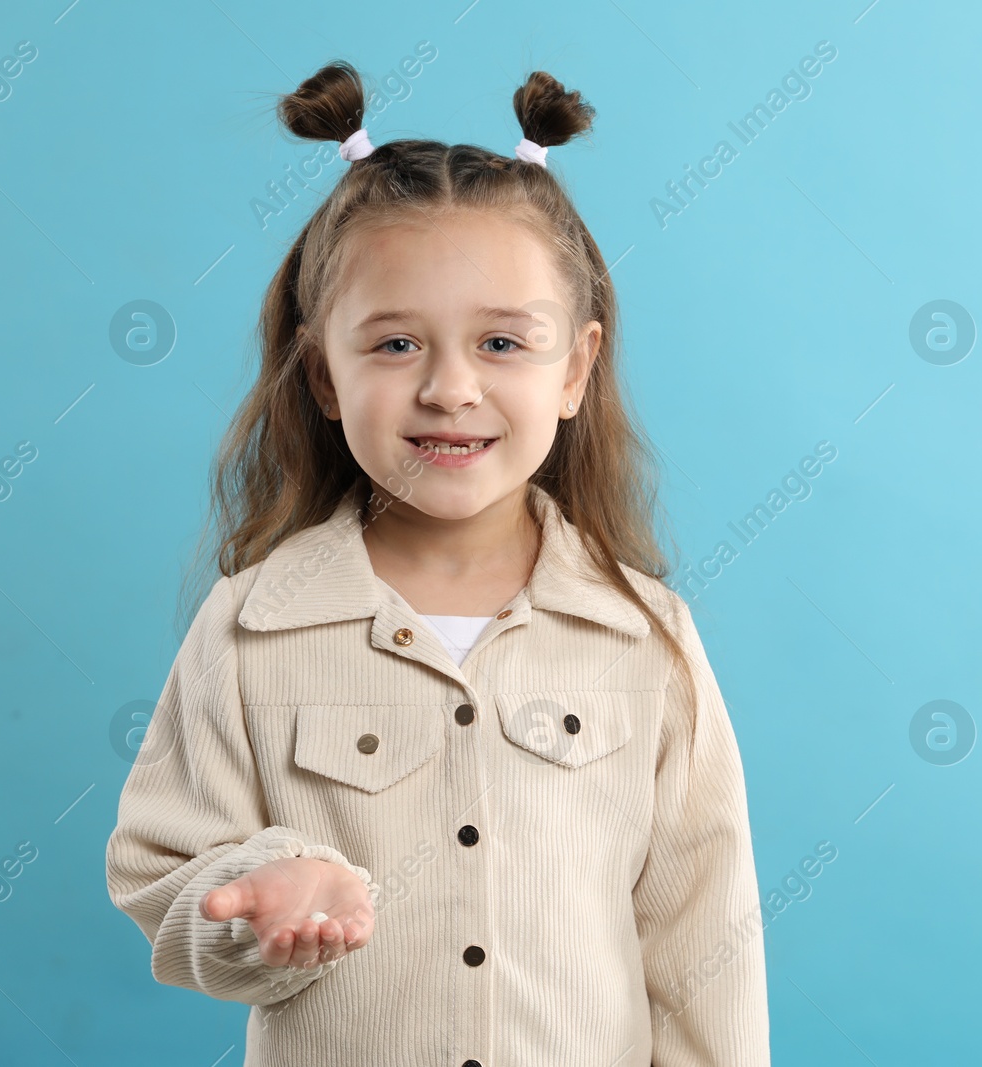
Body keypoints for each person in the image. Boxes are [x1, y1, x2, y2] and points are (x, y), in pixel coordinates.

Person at [104, 60, 770, 1067]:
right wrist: (260, 889)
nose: (450, 388)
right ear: (323, 371)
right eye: (396, 344)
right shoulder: (251, 625)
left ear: (576, 367)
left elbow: (700, 941)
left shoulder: (645, 634)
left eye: (502, 341)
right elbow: (164, 876)